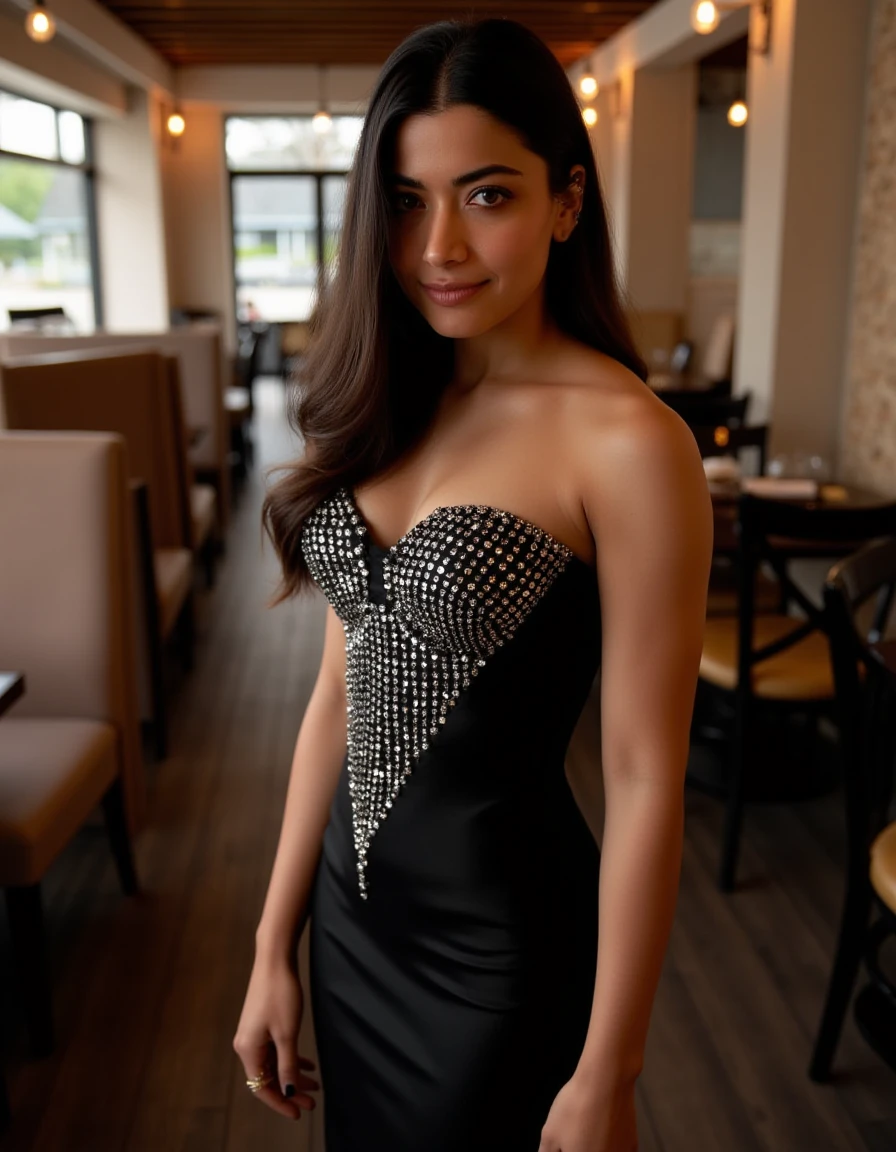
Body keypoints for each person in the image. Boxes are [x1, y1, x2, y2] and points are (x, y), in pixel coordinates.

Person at [234, 17, 712, 1152]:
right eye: (405, 201)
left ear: (564, 200)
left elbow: (644, 777)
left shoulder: (628, 443)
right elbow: (339, 696)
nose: (438, 245)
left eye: (486, 196)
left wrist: (610, 1072)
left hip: (500, 956)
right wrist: (269, 946)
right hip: (350, 937)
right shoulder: (392, 396)